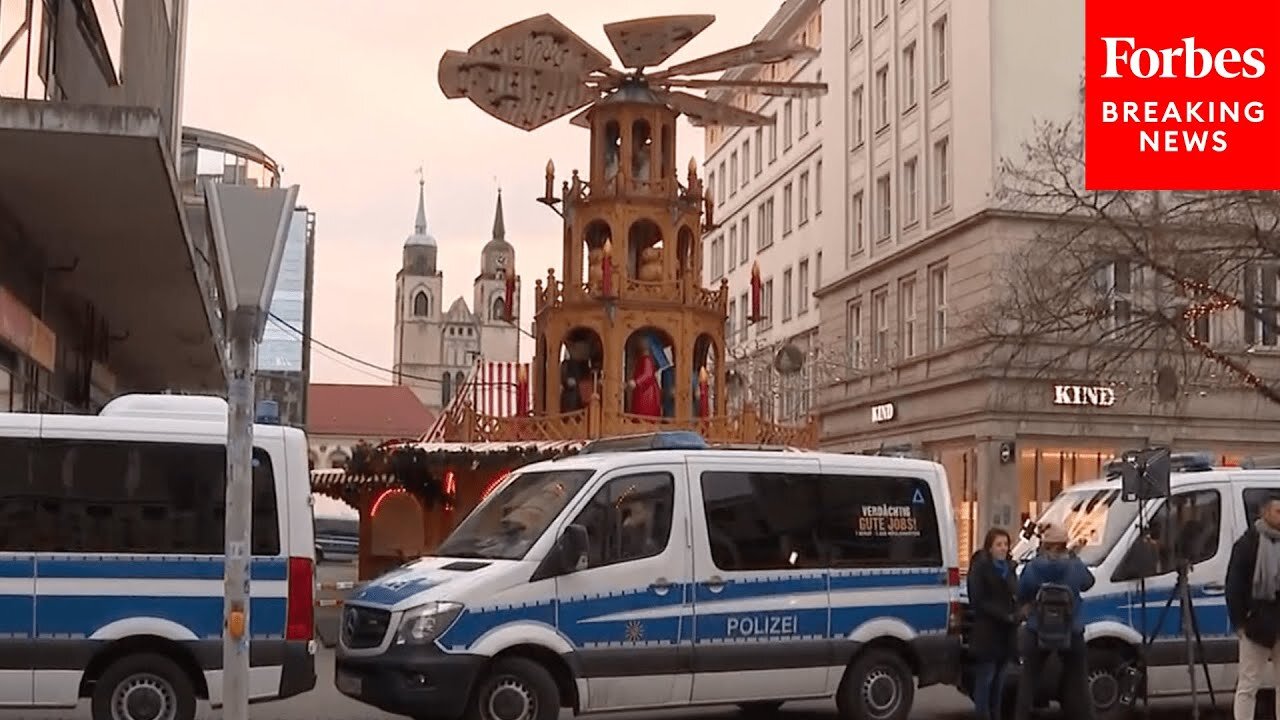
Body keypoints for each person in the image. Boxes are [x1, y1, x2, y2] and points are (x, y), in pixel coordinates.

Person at [1013, 524, 1097, 720]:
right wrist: (1075, 558)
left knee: (1028, 680)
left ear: (1045, 545)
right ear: (1064, 545)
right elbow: (1088, 583)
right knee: (1079, 681)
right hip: (1072, 629)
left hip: (1038, 629)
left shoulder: (1034, 567)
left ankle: (1021, 716)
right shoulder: (1074, 566)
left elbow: (1022, 593)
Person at [1226, 494, 1280, 720]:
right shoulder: (1248, 544)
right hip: (1257, 625)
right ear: (1264, 512)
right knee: (1248, 685)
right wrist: (1240, 622)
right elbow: (1234, 585)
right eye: (1278, 511)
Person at [967, 528, 1020, 720]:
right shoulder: (980, 568)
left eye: (1005, 544)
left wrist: (1018, 612)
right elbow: (978, 600)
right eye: (998, 545)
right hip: (987, 633)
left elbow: (1016, 593)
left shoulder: (1010, 568)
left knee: (1000, 683)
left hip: (1006, 634)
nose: (1003, 548)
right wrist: (1003, 615)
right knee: (986, 681)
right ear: (989, 547)